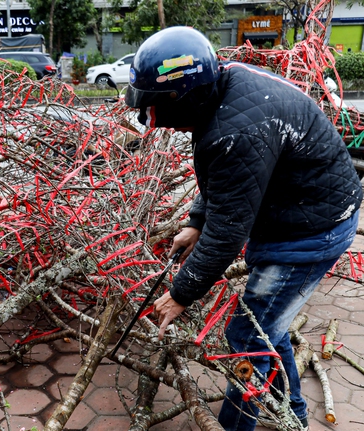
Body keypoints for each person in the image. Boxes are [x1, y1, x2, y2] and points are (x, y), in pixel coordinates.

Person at [125, 26, 362, 431]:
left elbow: (228, 232)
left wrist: (181, 293)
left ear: (183, 98)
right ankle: (292, 412)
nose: (159, 122)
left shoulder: (234, 129)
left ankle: (238, 426)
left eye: (157, 111)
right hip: (299, 215)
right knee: (270, 326)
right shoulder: (223, 88)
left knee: (248, 338)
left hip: (311, 232)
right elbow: (230, 179)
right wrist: (195, 222)